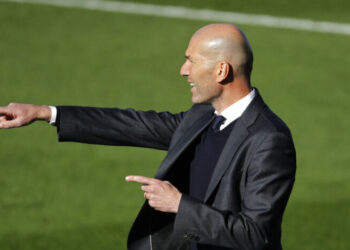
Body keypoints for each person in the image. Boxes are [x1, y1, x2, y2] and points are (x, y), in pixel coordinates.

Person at [0, 24, 296, 250]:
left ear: (221, 70)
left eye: (191, 61)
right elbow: (131, 124)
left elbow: (257, 235)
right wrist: (45, 113)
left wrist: (179, 204)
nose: (184, 71)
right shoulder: (203, 117)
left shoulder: (268, 139)